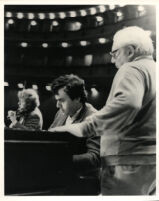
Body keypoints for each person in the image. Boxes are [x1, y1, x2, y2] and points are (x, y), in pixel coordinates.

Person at [49, 26, 156, 195]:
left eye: (114, 53)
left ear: (129, 51)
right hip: (148, 161)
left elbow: (128, 104)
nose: (113, 61)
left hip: (127, 163)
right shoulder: (154, 69)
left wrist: (83, 127)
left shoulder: (131, 68)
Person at [48, 74, 100, 177]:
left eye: (61, 100)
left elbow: (96, 157)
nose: (57, 105)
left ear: (77, 98)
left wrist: (61, 161)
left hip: (82, 179)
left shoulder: (94, 118)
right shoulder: (60, 113)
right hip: (59, 174)